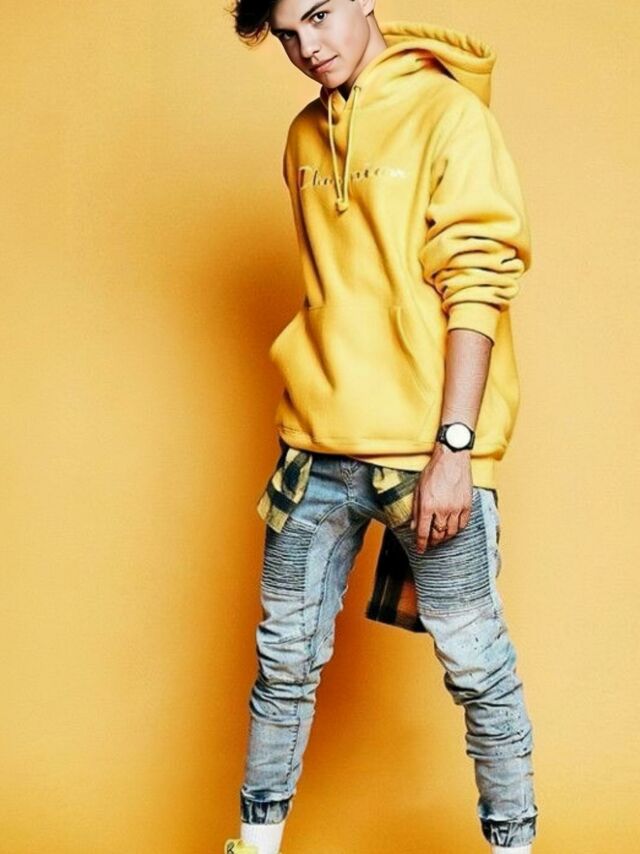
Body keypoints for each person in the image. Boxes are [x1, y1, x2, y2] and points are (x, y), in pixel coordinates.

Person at [225, 0, 539, 851]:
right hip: (314, 450)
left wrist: (455, 449)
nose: (309, 47)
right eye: (289, 35)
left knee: (476, 665)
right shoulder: (304, 135)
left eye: (321, 15)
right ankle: (256, 845)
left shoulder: (451, 116)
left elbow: (478, 285)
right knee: (283, 663)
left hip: (425, 454)